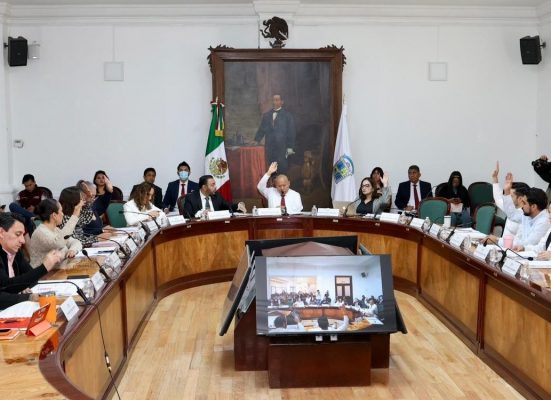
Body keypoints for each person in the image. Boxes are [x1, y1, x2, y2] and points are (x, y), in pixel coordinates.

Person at [0, 213, 62, 310]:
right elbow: (5, 288)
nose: (23, 241)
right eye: (18, 234)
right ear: (1, 233)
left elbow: (30, 278)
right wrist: (28, 297)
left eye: (22, 235)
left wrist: (21, 286)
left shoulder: (15, 251)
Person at [499, 174, 550, 248]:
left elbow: (527, 244)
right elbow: (512, 215)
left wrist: (498, 240)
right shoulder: (529, 214)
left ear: (533, 206)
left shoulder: (544, 221)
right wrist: (507, 192)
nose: (522, 206)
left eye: (524, 203)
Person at [29, 199, 82, 268]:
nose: (63, 214)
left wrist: (72, 250)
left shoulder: (56, 230)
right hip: (45, 274)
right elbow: (58, 243)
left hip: (59, 271)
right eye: (61, 211)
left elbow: (76, 242)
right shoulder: (40, 232)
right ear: (54, 215)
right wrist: (74, 216)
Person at [254, 94, 296, 174]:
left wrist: (290, 147)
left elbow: (291, 132)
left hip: (282, 148)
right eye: (273, 100)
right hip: (270, 147)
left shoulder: (287, 116)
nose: (274, 102)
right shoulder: (266, 115)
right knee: (271, 170)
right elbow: (262, 129)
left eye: (277, 100)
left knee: (282, 169)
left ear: (282, 102)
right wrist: (256, 140)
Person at [491, 161, 530, 237]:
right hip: (503, 243)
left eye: (511, 196)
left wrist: (497, 239)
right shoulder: (510, 207)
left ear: (520, 199)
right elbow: (498, 199)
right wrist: (495, 178)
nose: (507, 198)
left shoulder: (526, 215)